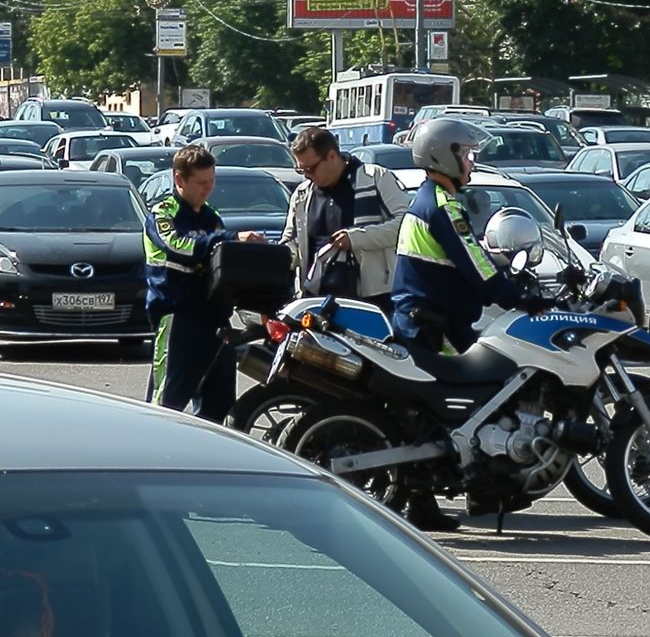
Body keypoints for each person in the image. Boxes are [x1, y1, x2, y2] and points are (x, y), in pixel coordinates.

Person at [390, 118, 552, 530]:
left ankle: (426, 502)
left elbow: (467, 261)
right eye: (466, 153)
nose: (472, 162)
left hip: (430, 317)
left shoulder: (430, 199)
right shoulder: (444, 206)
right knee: (485, 399)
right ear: (444, 155)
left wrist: (503, 279)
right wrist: (518, 296)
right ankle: (483, 490)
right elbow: (476, 267)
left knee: (437, 414)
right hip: (434, 323)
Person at [144, 145, 265, 422]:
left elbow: (225, 261)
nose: (207, 189)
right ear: (179, 180)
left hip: (214, 320)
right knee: (165, 405)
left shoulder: (212, 216)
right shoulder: (163, 212)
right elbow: (177, 245)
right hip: (177, 317)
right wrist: (229, 239)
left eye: (211, 181)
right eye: (201, 183)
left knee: (219, 405)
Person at [281, 127, 407, 313]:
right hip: (317, 300)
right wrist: (276, 255)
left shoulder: (375, 178)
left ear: (332, 156)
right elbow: (291, 242)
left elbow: (405, 225)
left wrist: (355, 238)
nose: (306, 175)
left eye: (311, 168)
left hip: (374, 298)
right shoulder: (302, 194)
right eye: (301, 169)